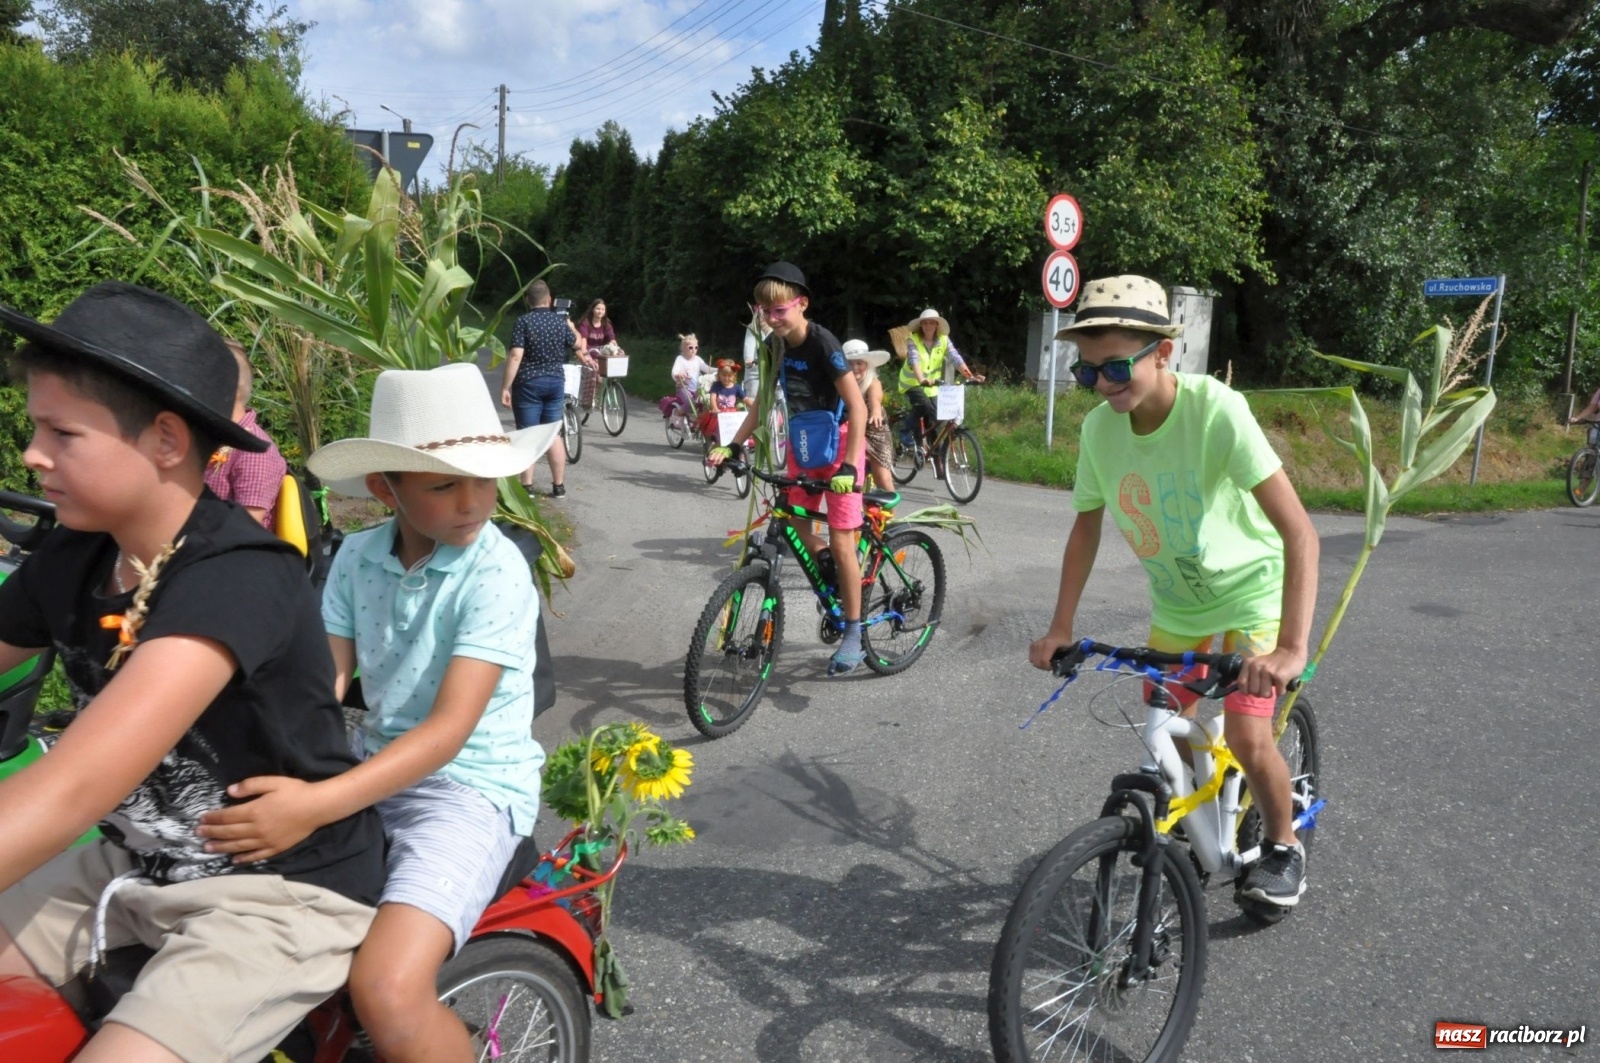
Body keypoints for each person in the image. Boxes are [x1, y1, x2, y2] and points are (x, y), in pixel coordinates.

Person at [0, 281, 384, 1063]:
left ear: (167, 441)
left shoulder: (238, 576)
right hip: (135, 860)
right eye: (36, 427)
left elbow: (75, 786)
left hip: (276, 893)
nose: (32, 452)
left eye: (62, 432)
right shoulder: (78, 551)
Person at [199, 363, 561, 1063]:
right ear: (383, 489)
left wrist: (316, 802)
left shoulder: (496, 571)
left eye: (484, 479)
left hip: (470, 790)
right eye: (444, 485)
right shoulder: (358, 557)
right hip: (373, 766)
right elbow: (322, 684)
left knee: (387, 988)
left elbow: (447, 733)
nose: (472, 502)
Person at [1027, 275, 1320, 909]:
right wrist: (1060, 627)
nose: (1102, 385)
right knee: (1164, 726)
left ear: (1163, 352)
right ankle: (1201, 812)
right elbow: (1085, 527)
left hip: (1251, 593)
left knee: (1248, 736)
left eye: (1115, 367)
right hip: (1181, 605)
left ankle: (1282, 844)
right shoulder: (1099, 432)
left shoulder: (1215, 410)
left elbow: (1299, 532)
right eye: (1087, 373)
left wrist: (1291, 649)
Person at [709, 262, 869, 675]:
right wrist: (733, 445)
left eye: (779, 310)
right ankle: (833, 571)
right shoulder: (772, 346)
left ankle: (854, 632)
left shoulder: (823, 344)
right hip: (803, 442)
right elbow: (762, 403)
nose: (772, 318)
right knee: (796, 524)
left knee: (842, 542)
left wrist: (849, 466)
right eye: (765, 311)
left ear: (802, 304)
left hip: (840, 445)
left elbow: (858, 407)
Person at [501, 280, 593, 498]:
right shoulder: (559, 322)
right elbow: (577, 344)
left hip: (529, 383)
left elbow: (515, 356)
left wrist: (505, 386)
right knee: (553, 434)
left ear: (527, 300)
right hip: (555, 382)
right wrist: (571, 326)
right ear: (549, 300)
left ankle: (527, 487)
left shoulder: (523, 322)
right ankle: (558, 486)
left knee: (528, 434)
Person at [203, 339, 288, 528]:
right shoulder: (213, 438)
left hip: (223, 545)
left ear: (228, 390)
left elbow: (245, 530)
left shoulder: (254, 453)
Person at [898, 307, 984, 453]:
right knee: (923, 405)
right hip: (912, 382)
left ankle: (935, 453)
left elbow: (955, 358)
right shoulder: (913, 340)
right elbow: (914, 361)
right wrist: (922, 379)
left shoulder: (943, 340)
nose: (928, 326)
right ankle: (905, 431)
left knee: (937, 415)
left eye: (932, 323)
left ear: (937, 325)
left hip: (932, 385)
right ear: (921, 325)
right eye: (925, 323)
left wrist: (970, 376)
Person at [844, 339, 895, 492]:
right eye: (850, 363)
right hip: (850, 430)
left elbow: (875, 397)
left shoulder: (872, 381)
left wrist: (876, 411)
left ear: (867, 364)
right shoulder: (840, 382)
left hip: (874, 429)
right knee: (848, 477)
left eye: (859, 363)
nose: (855, 368)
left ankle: (890, 506)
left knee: (883, 478)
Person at [575, 298, 622, 410]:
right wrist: (585, 354)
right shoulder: (586, 323)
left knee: (602, 377)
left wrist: (616, 349)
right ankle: (587, 401)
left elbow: (612, 339)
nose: (600, 311)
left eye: (602, 309)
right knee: (593, 373)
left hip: (600, 355)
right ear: (593, 309)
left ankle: (597, 397)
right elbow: (583, 340)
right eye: (598, 309)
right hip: (587, 353)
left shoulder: (606, 324)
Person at [665, 333, 714, 421]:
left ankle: (699, 421)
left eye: (696, 347)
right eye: (690, 347)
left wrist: (720, 369)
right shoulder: (680, 359)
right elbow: (674, 371)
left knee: (706, 402)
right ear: (683, 348)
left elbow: (707, 369)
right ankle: (677, 414)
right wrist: (677, 375)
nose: (693, 350)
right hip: (684, 387)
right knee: (690, 402)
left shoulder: (698, 359)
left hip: (697, 389)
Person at [699, 358, 746, 441]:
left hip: (732, 414)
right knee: (718, 433)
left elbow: (745, 399)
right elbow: (713, 397)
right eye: (724, 375)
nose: (726, 378)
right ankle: (715, 442)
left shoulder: (737, 387)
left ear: (734, 375)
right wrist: (714, 408)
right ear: (719, 375)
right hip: (718, 412)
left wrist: (754, 405)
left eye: (729, 376)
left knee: (735, 431)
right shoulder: (716, 385)